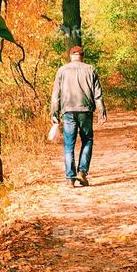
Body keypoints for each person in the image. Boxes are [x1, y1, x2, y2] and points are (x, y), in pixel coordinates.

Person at [50, 45, 107, 187]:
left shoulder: (62, 70)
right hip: (86, 111)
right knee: (87, 140)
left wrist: (54, 113)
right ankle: (82, 172)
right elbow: (97, 94)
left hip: (68, 112)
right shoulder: (90, 69)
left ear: (71, 56)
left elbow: (55, 95)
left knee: (69, 144)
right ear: (82, 56)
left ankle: (70, 178)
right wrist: (101, 112)